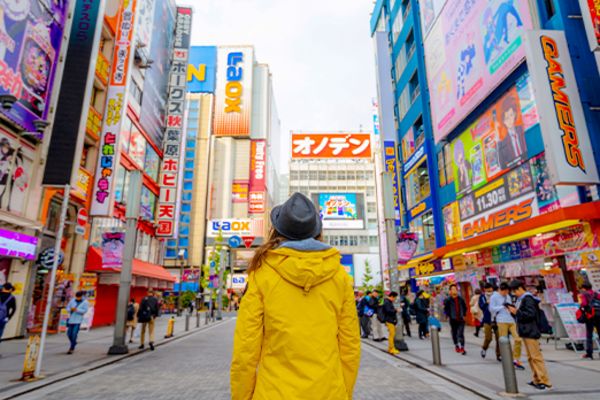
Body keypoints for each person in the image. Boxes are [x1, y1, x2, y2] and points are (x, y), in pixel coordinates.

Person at [230, 193, 360, 399]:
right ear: (316, 231)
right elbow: (350, 346)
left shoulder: (262, 274)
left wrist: (242, 396)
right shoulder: (339, 276)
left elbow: (245, 349)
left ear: (277, 231)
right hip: (329, 391)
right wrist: (343, 392)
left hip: (273, 392)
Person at [508, 280, 552, 390]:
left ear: (519, 288)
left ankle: (545, 381)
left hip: (531, 331)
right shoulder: (522, 299)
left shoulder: (527, 299)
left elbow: (530, 314)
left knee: (536, 357)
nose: (514, 294)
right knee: (531, 357)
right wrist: (513, 312)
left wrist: (516, 312)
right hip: (526, 331)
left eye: (514, 291)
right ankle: (536, 378)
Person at [490, 282, 524, 369]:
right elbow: (491, 309)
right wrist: (502, 307)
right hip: (501, 320)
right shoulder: (494, 296)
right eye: (505, 291)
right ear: (501, 290)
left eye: (507, 291)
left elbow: (510, 306)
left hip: (511, 320)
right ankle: (506, 359)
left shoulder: (508, 296)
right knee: (504, 341)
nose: (506, 293)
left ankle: (516, 358)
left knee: (518, 339)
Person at [498, 96, 526, 169]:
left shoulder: (522, 129)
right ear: (503, 121)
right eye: (506, 118)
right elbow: (503, 166)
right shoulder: (503, 143)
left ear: (515, 114)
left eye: (511, 115)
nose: (510, 120)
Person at [443, 284, 467, 354]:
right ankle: (456, 345)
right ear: (450, 291)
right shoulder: (448, 300)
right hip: (453, 319)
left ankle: (462, 347)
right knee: (454, 333)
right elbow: (445, 309)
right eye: (452, 289)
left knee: (461, 333)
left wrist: (464, 315)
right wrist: (447, 315)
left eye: (455, 289)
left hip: (461, 318)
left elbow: (465, 307)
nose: (454, 290)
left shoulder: (461, 299)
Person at [480, 283, 500, 361]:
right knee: (488, 338)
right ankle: (484, 348)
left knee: (499, 338)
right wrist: (486, 303)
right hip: (487, 320)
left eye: (490, 288)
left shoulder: (496, 296)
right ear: (484, 289)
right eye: (487, 288)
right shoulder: (482, 297)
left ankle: (499, 354)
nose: (489, 290)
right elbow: (481, 307)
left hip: (496, 319)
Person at [579, 283, 600, 359]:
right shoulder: (595, 293)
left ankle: (589, 353)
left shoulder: (584, 294)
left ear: (584, 288)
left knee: (589, 335)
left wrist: (581, 307)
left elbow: (584, 304)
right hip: (598, 314)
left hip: (590, 316)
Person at [0, 282, 16, 347]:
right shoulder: (12, 298)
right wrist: (8, 317)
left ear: (3, 288)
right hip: (3, 318)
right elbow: (14, 309)